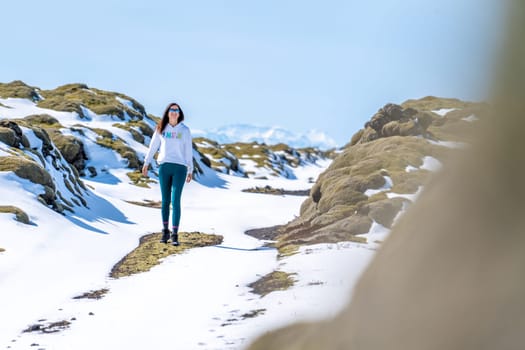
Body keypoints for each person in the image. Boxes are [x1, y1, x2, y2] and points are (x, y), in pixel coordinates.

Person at [142, 102, 193, 246]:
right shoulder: (161, 128)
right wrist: (146, 162)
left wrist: (190, 169)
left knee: (176, 201)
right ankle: (165, 231)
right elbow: (153, 146)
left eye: (176, 110)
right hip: (164, 167)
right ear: (167, 112)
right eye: (172, 110)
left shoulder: (185, 130)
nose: (174, 112)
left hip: (180, 168)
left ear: (179, 113)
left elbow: (188, 150)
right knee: (165, 201)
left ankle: (175, 234)